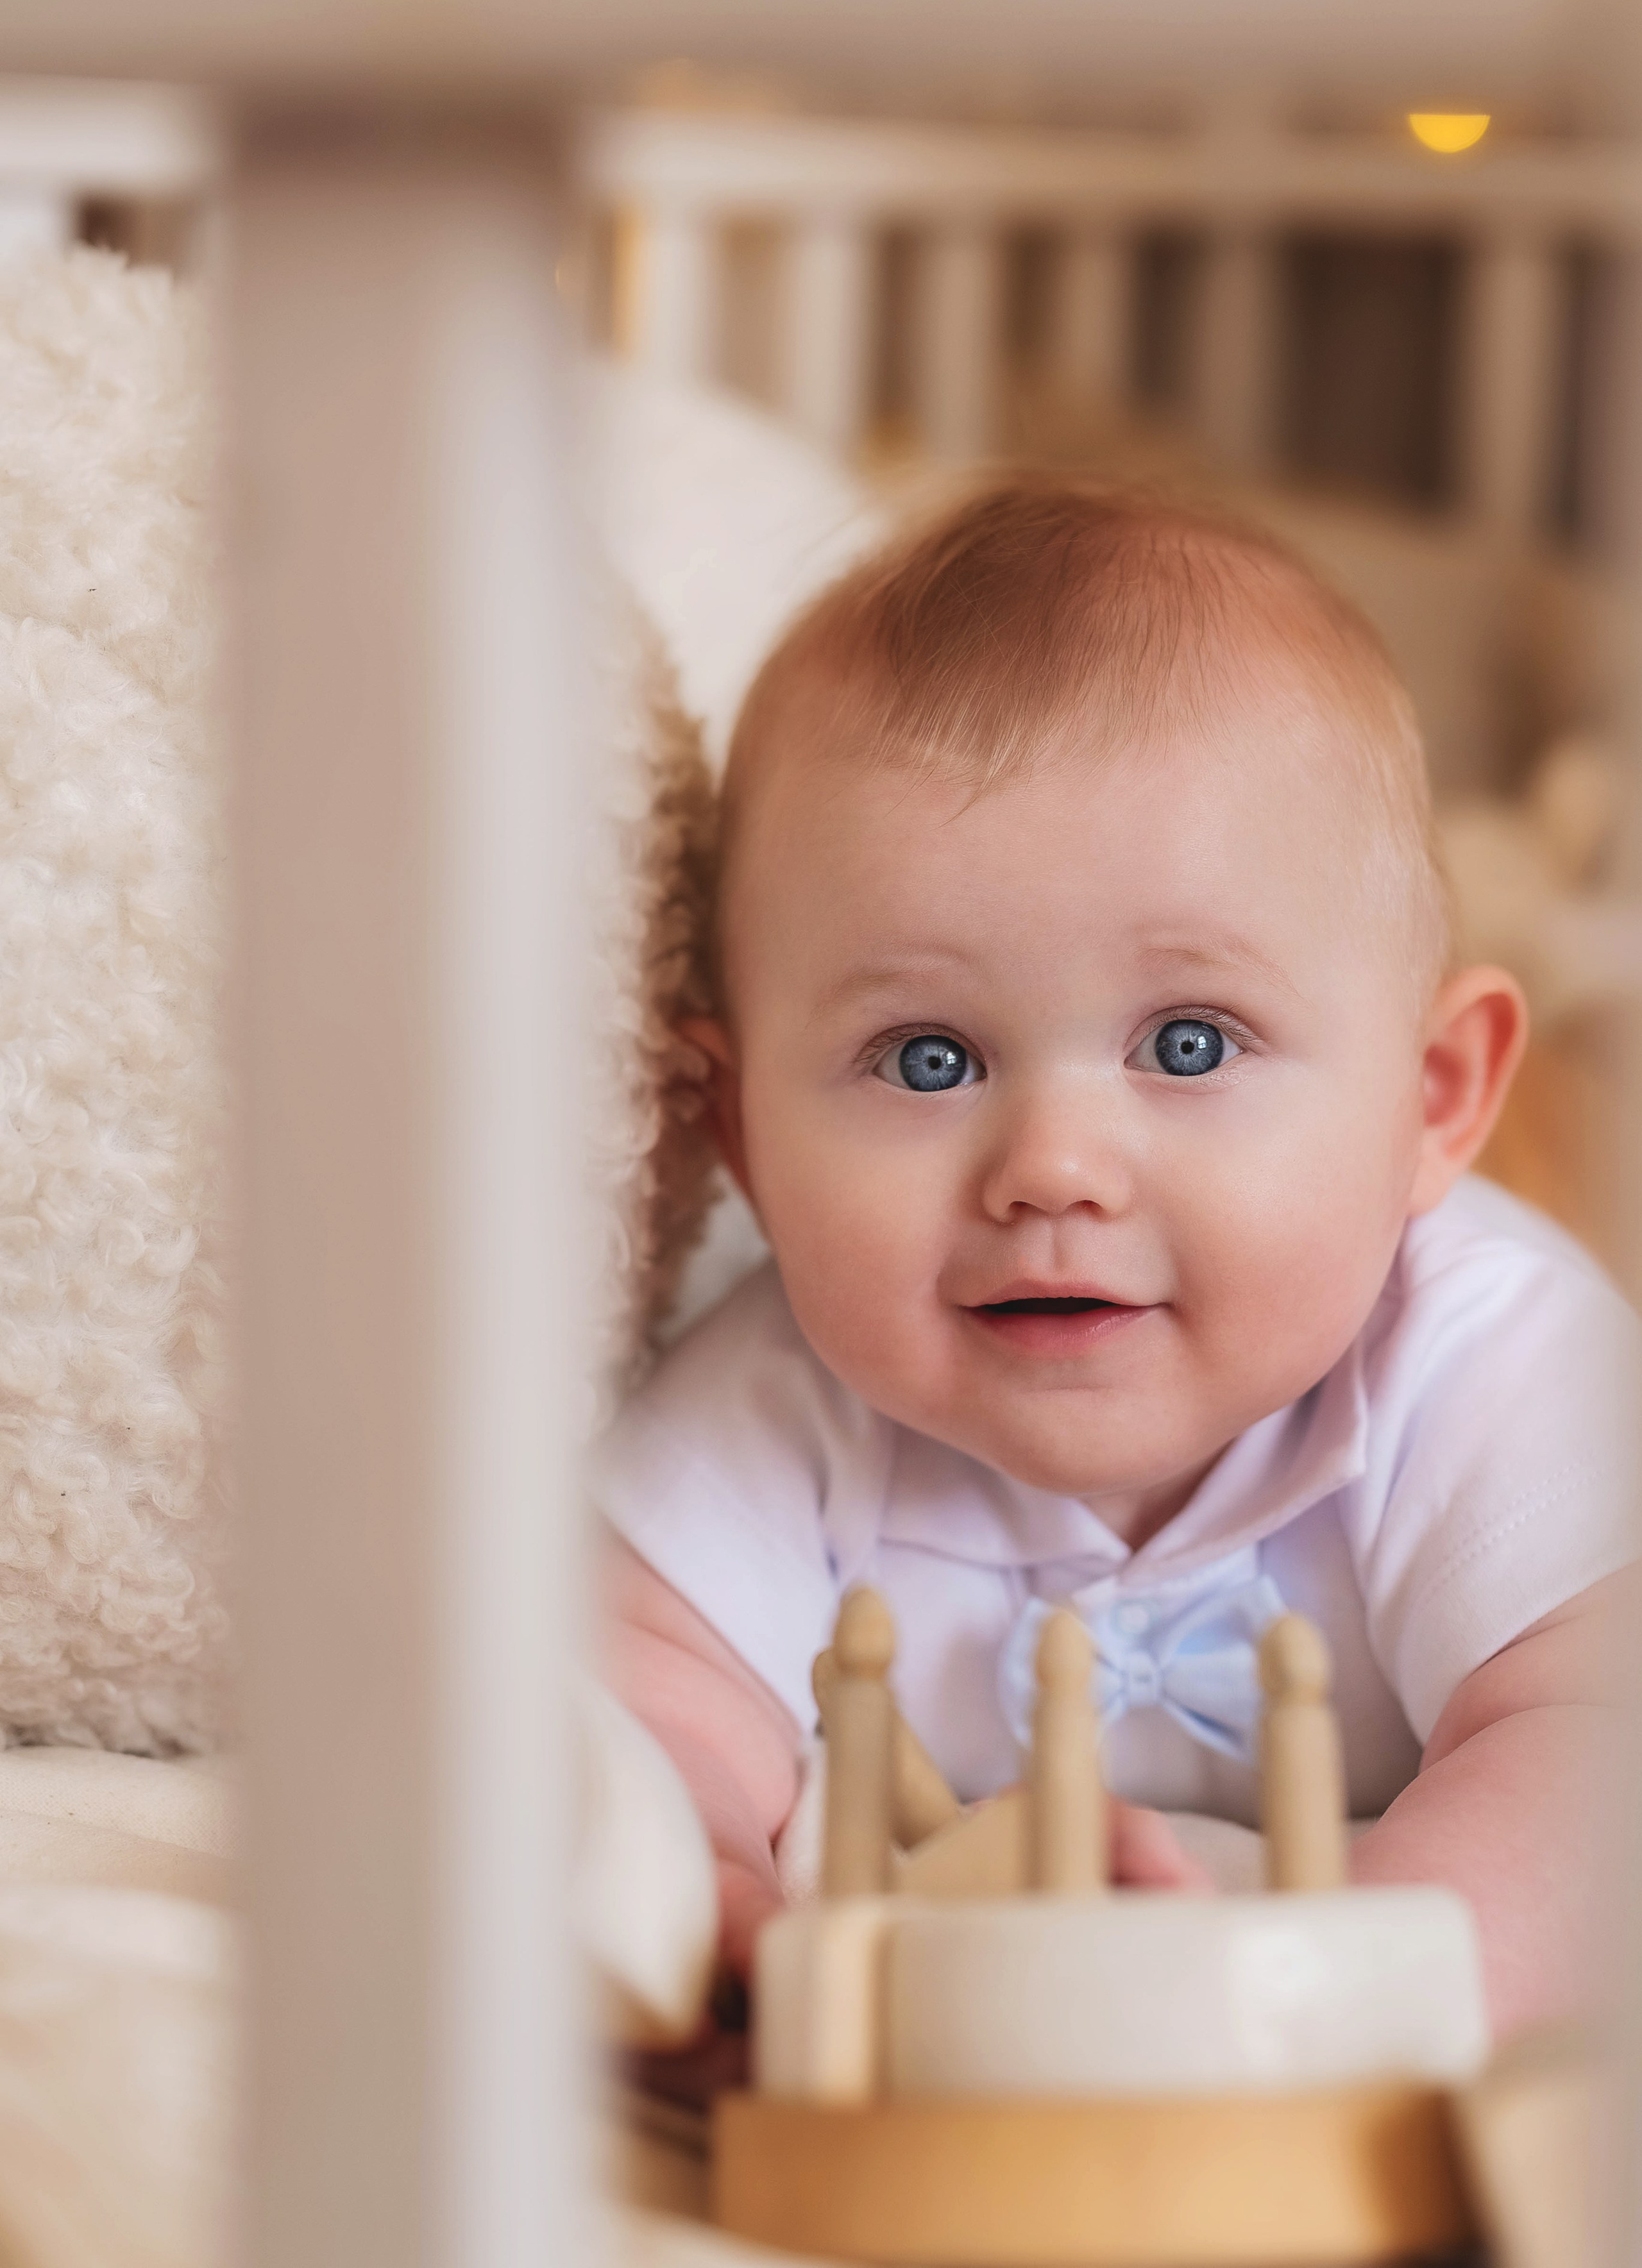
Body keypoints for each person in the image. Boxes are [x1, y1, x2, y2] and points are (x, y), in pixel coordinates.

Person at [599, 480, 1638, 2036]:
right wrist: (720, 1934)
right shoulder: (778, 1395)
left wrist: (1324, 1996)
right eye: (929, 1058)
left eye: (1189, 1040)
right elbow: (629, 1712)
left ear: (1429, 1102)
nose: (1053, 1170)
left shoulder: (1494, 1351)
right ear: (742, 1135)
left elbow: (1586, 1748)